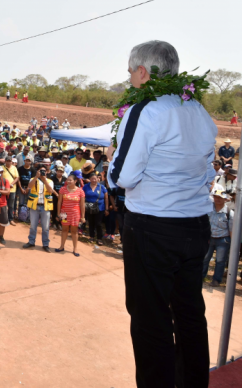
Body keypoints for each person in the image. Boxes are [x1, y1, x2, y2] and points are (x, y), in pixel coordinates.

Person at [107, 40, 217, 387]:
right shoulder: (198, 110)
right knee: (189, 315)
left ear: (143, 71)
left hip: (153, 228)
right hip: (195, 227)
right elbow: (208, 171)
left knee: (151, 321)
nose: (129, 80)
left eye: (130, 72)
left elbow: (122, 177)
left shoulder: (146, 111)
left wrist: (112, 162)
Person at [203, 185, 233, 287]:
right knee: (205, 258)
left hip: (223, 240)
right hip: (209, 239)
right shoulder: (208, 209)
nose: (217, 199)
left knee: (220, 261)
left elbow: (231, 230)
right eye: (216, 197)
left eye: (220, 197)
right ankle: (201, 277)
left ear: (225, 199)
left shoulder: (229, 213)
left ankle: (216, 280)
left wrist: (232, 244)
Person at [22, 164, 55, 251]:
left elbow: (51, 191)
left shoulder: (50, 181)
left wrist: (44, 180)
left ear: (47, 172)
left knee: (46, 227)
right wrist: (36, 177)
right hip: (34, 205)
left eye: (44, 171)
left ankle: (45, 244)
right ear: (37, 171)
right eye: (41, 171)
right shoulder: (33, 179)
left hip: (45, 206)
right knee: (33, 226)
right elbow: (29, 186)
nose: (42, 172)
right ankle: (31, 242)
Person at [57, 173, 86, 256]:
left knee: (74, 231)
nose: (68, 181)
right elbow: (59, 202)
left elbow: (82, 205)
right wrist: (58, 213)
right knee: (64, 229)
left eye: (70, 180)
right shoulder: (62, 189)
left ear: (75, 181)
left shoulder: (80, 191)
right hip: (64, 213)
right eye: (67, 180)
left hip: (75, 213)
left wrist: (83, 216)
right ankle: (61, 246)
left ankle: (75, 249)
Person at [83, 173, 108, 245]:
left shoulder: (102, 187)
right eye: (92, 179)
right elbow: (82, 196)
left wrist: (106, 209)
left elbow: (106, 198)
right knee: (91, 222)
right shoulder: (85, 186)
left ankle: (99, 238)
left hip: (100, 208)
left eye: (95, 178)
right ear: (89, 179)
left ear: (98, 179)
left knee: (99, 223)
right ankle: (91, 236)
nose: (94, 180)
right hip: (89, 207)